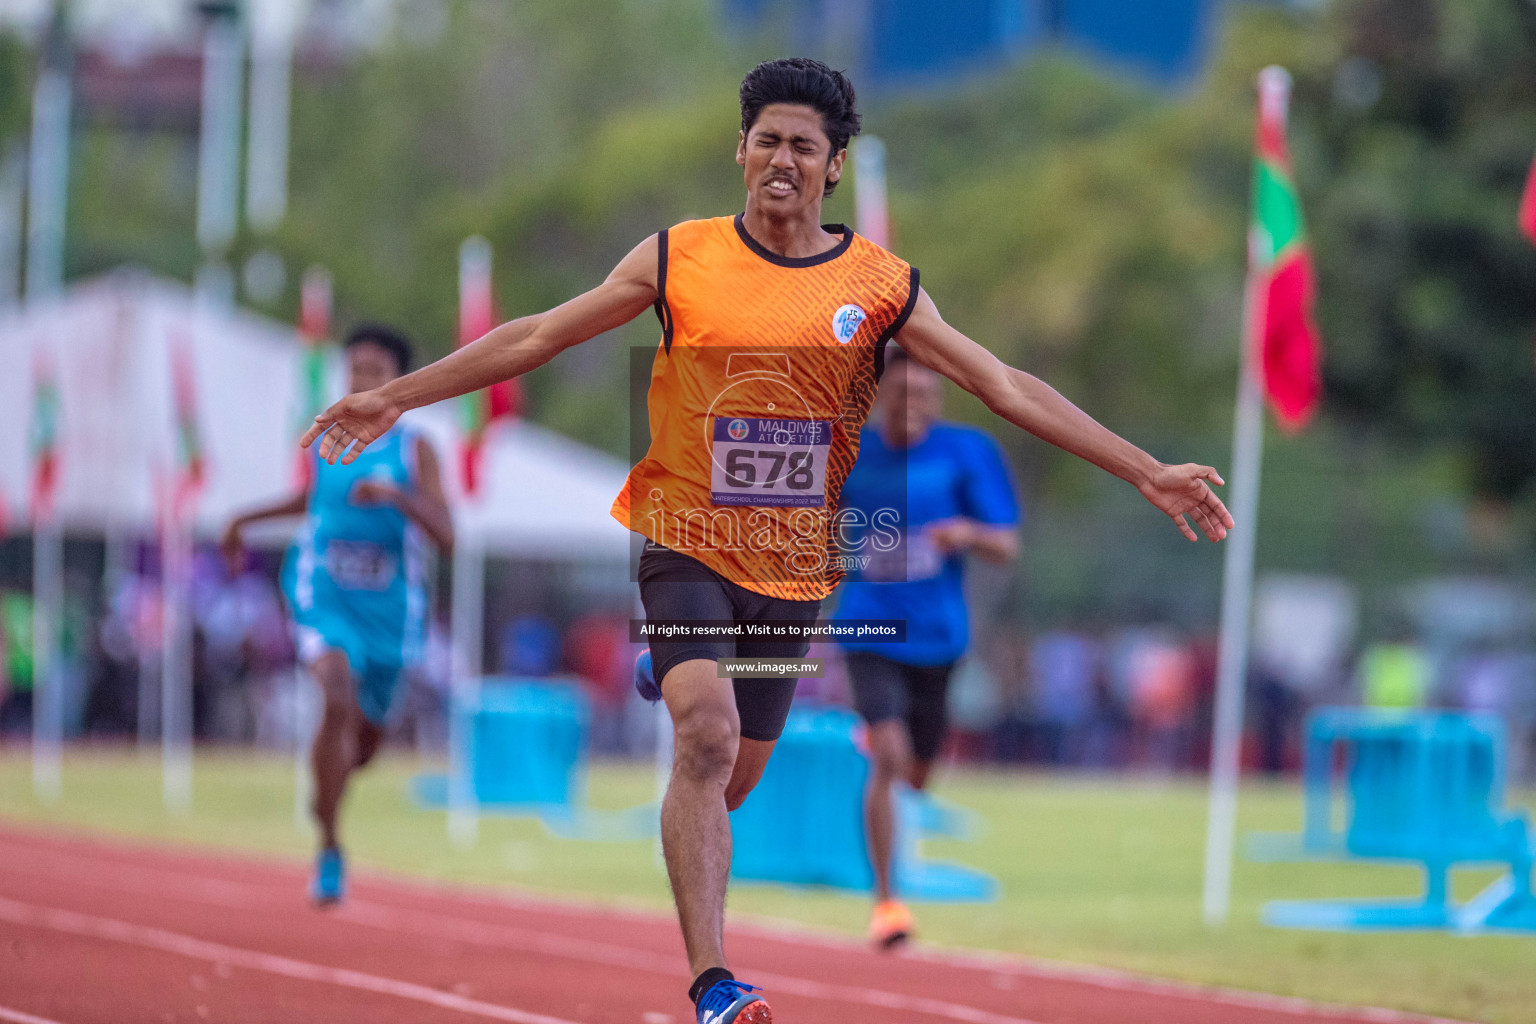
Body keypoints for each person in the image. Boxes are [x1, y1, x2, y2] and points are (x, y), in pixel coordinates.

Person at [302, 58, 1232, 1024]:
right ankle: (713, 981)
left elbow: (1005, 385)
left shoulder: (879, 285)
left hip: (794, 573)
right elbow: (538, 335)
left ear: (834, 167)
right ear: (740, 150)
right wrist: (396, 397)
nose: (782, 160)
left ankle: (672, 678)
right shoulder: (677, 257)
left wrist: (1143, 468)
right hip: (684, 537)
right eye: (768, 141)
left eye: (804, 146)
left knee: (732, 777)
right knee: (703, 739)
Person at [223, 324, 453, 905]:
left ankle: (326, 790)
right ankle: (329, 844)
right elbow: (312, 501)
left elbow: (449, 536)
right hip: (322, 590)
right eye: (353, 368)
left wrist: (397, 498)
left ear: (397, 380)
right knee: (333, 688)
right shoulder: (329, 436)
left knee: (365, 744)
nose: (361, 380)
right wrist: (241, 520)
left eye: (375, 370)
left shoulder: (414, 448)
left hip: (391, 611)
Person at [829, 348, 1021, 948]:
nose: (916, 407)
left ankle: (894, 749)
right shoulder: (850, 451)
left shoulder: (967, 452)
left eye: (927, 398)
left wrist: (965, 533)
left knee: (916, 774)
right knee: (888, 760)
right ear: (879, 396)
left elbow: (1006, 545)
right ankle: (887, 903)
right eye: (904, 396)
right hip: (866, 624)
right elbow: (814, 530)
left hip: (939, 637)